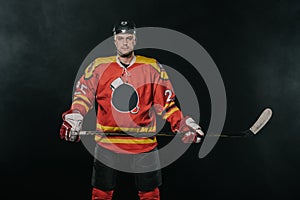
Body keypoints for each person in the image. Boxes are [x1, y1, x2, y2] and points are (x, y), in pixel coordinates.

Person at [59, 20, 204, 200]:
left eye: (129, 38)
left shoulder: (151, 67)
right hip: (107, 143)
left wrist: (183, 124)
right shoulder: (99, 66)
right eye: (120, 38)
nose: (125, 42)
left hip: (144, 144)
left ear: (135, 40)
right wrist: (75, 116)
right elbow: (83, 94)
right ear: (114, 41)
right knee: (101, 194)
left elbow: (166, 105)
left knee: (150, 194)